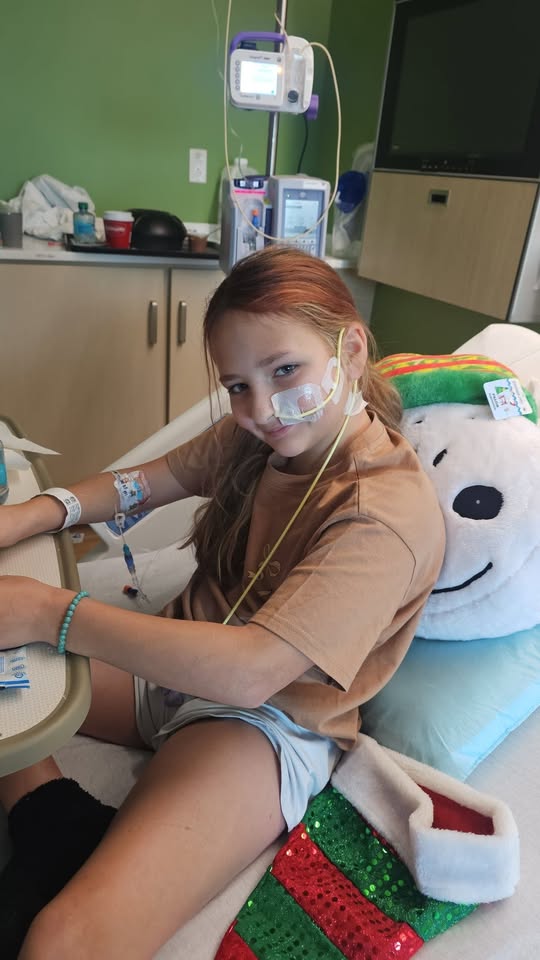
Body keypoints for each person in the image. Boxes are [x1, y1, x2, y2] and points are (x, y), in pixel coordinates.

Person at [0, 245, 445, 959]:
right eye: (237, 385)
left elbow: (251, 672)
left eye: (284, 371)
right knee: (6, 691)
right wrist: (34, 513)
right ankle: (59, 826)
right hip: (177, 668)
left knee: (60, 941)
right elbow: (142, 483)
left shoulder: (382, 514)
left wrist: (50, 612)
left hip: (262, 721)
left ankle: (63, 838)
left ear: (351, 348)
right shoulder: (265, 437)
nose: (262, 409)